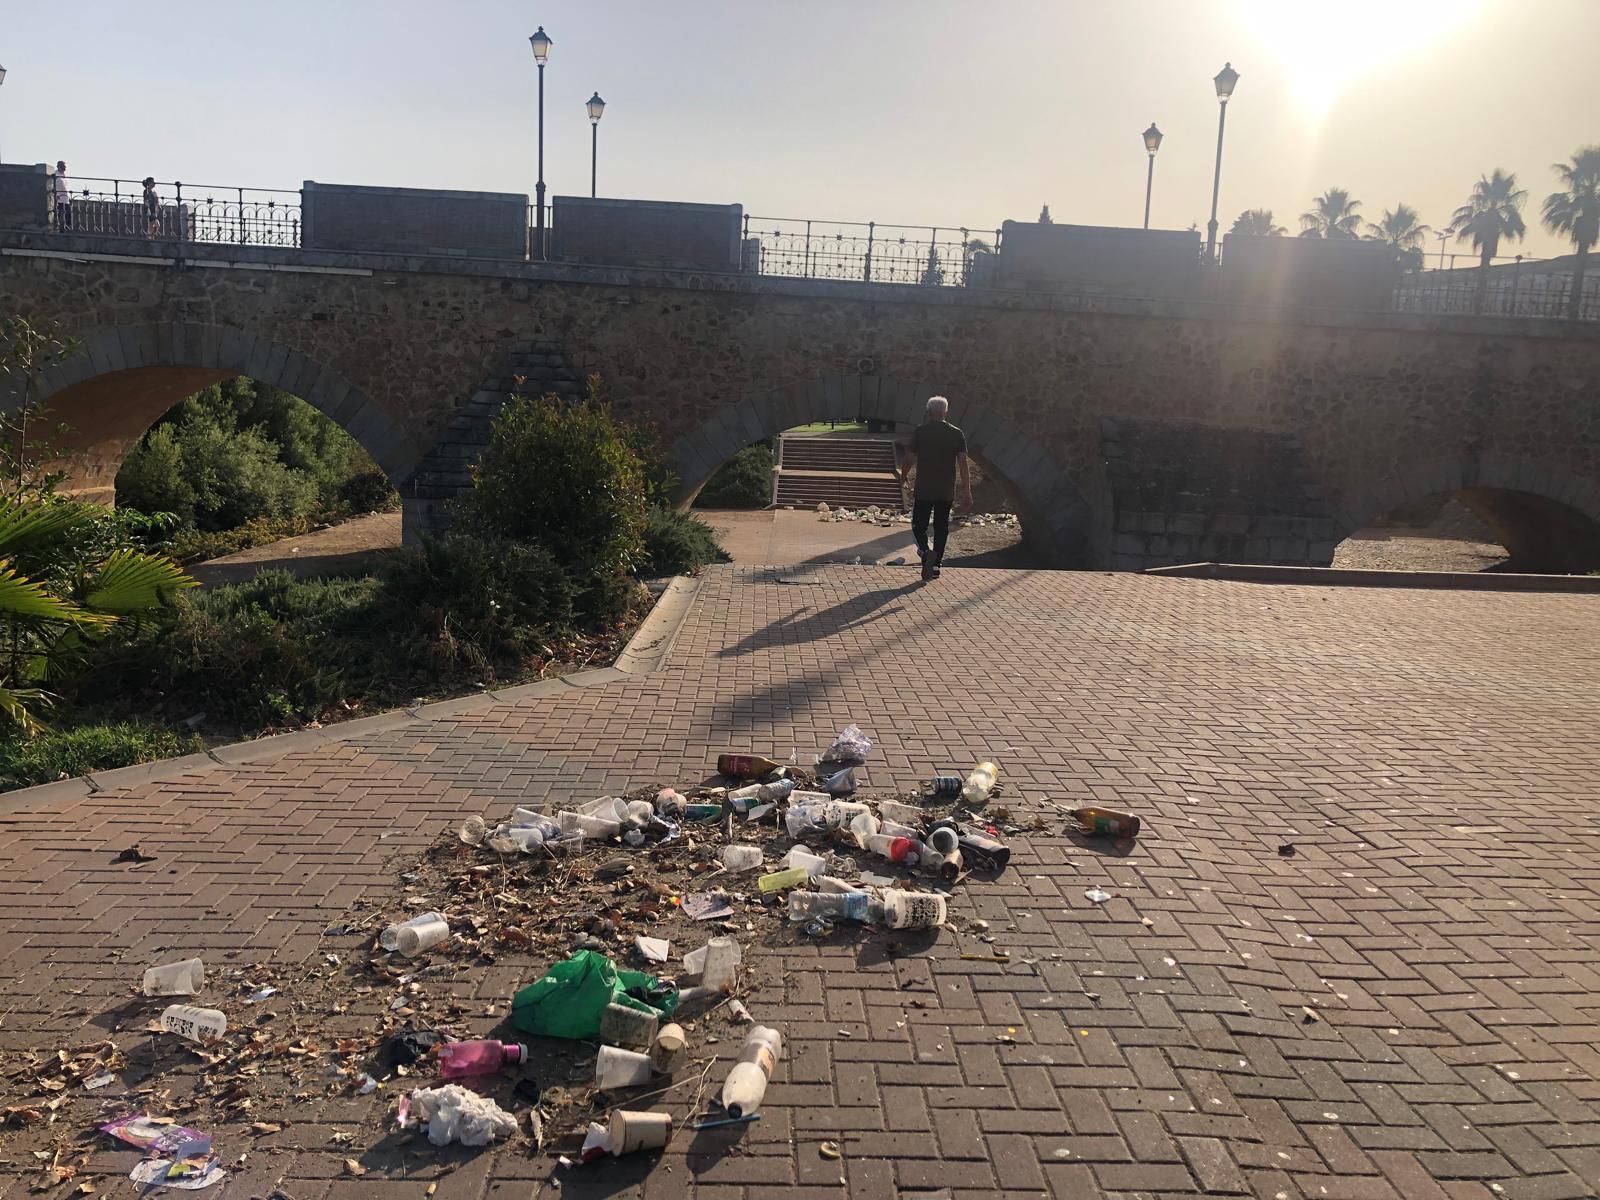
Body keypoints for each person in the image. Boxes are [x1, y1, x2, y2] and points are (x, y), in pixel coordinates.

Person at [895, 395, 972, 581]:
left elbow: (908, 457)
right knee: (941, 527)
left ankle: (924, 551)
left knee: (918, 526)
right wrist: (966, 490)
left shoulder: (921, 432)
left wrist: (903, 477)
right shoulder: (957, 433)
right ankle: (936, 565)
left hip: (924, 488)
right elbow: (963, 464)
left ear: (928, 413)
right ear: (946, 412)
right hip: (945, 490)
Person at [53, 161, 72, 232]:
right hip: (59, 199)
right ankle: (61, 230)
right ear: (58, 166)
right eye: (63, 166)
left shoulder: (64, 175)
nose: (65, 168)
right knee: (61, 216)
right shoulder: (55, 174)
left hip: (66, 199)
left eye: (65, 166)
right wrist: (56, 195)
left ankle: (67, 230)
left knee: (68, 216)